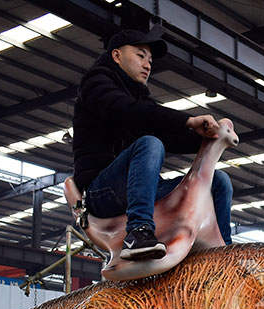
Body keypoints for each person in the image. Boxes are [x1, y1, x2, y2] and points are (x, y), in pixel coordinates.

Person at [72, 28, 233, 261]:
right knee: (149, 143)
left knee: (218, 181)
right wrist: (187, 120)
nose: (148, 65)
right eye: (140, 56)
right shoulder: (96, 84)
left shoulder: (137, 97)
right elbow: (127, 111)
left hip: (137, 190)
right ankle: (137, 233)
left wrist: (210, 139)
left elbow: (167, 134)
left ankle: (223, 252)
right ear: (117, 56)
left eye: (150, 60)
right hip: (101, 192)